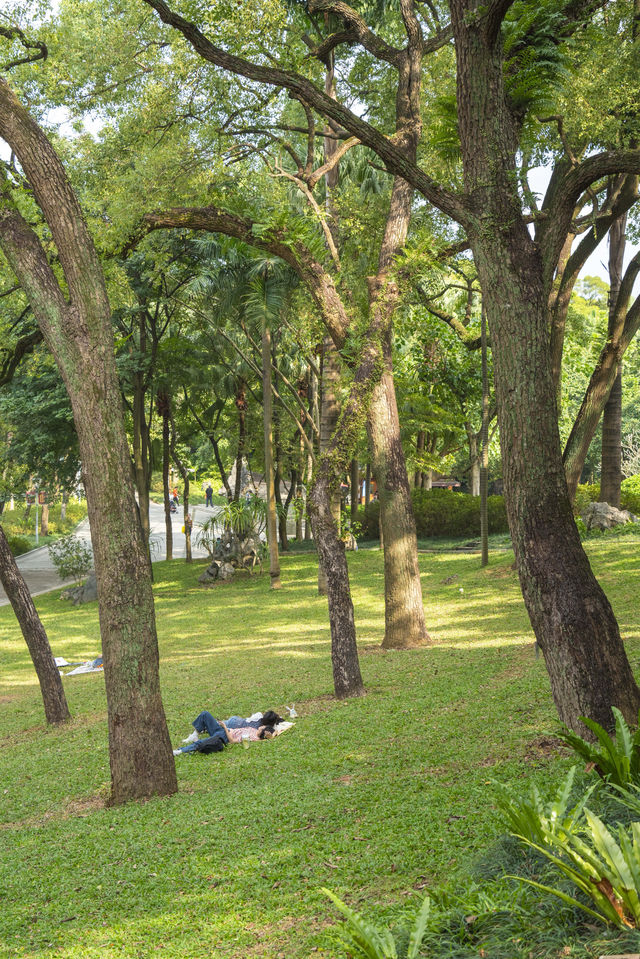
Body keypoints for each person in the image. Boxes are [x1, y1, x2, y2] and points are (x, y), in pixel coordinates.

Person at [173, 710, 277, 755]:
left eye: (263, 727)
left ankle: (180, 751)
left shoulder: (252, 737)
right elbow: (276, 731)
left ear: (264, 731)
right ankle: (194, 735)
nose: (262, 726)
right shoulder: (256, 729)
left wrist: (225, 728)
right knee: (205, 714)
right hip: (222, 729)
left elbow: (232, 741)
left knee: (201, 743)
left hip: (224, 734)